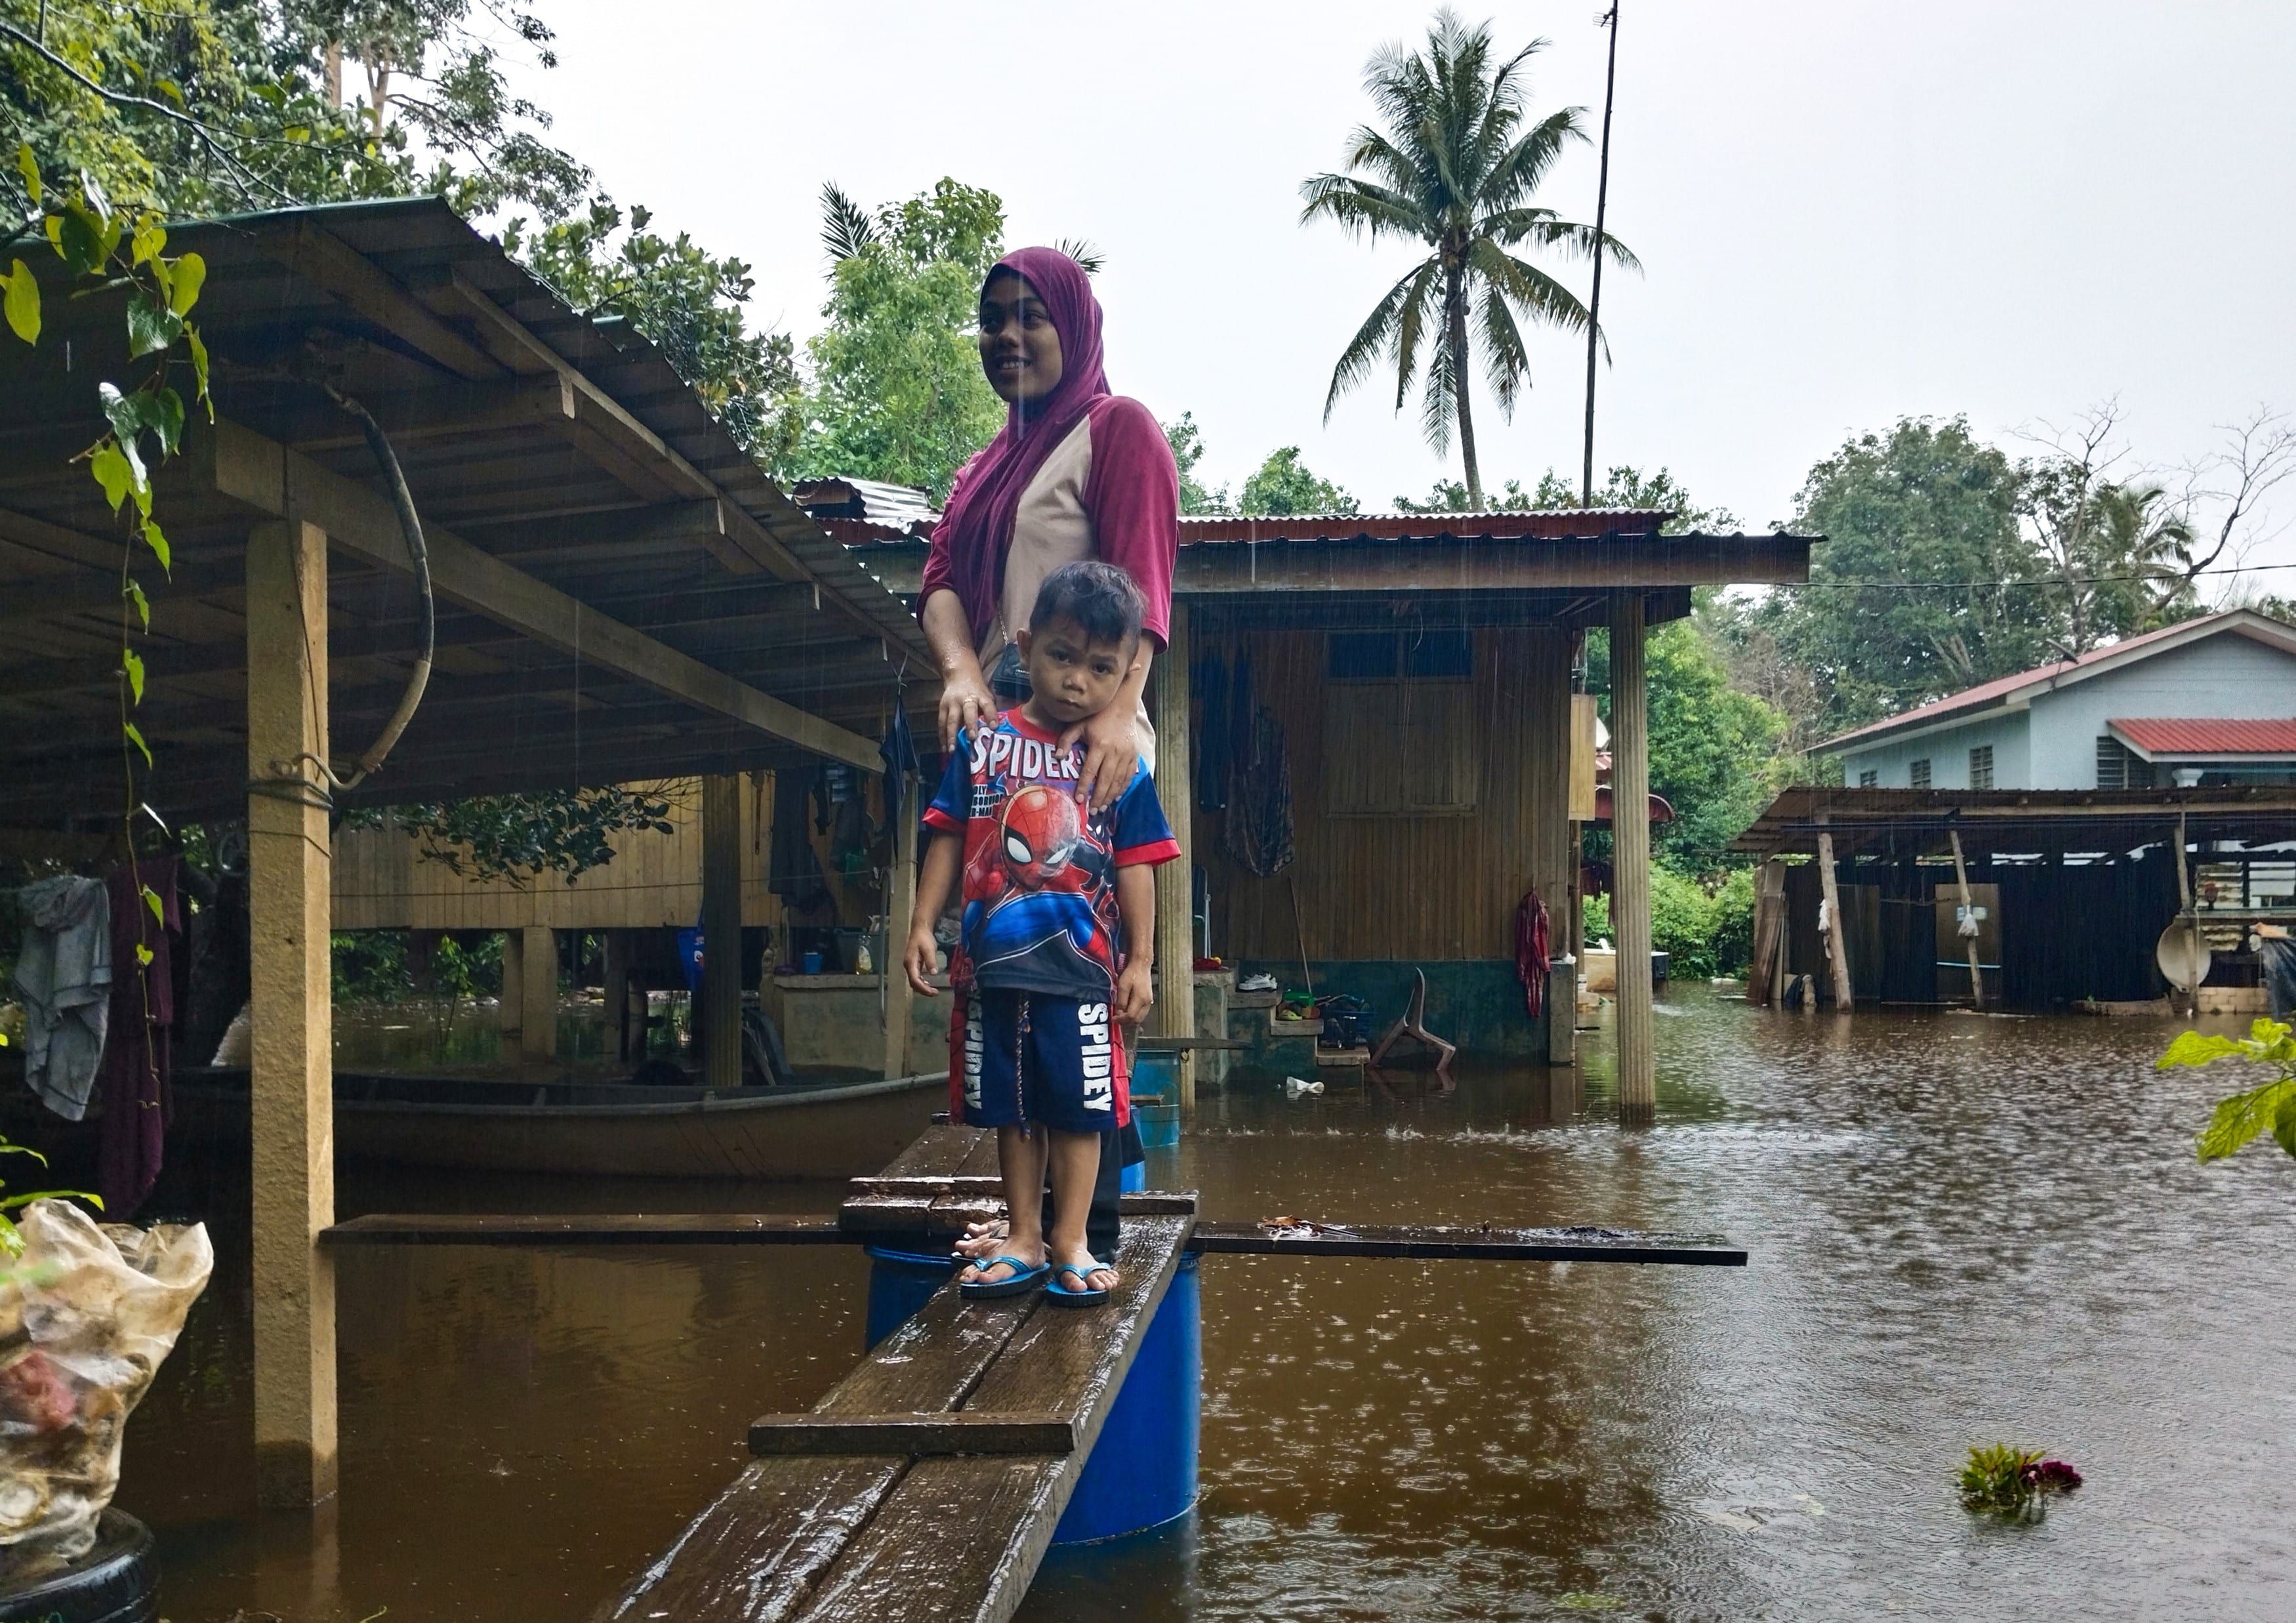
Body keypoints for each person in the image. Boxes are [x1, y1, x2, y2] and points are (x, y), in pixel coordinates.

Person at [917, 245, 1179, 1266]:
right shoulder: (987, 466)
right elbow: (942, 578)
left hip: (1091, 742)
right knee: (1011, 991)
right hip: (1001, 746)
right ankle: (1033, 1230)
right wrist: (957, 670)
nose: (1008, 337)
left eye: (1030, 316)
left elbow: (1145, 578)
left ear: (1074, 324)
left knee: (1086, 987)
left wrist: (1123, 708)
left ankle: (1087, 1233)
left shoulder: (1117, 431)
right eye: (992, 320)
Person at [903, 562, 1179, 1304]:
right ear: (1025, 646)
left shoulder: (1116, 762)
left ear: (1126, 674)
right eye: (1061, 656)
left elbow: (1137, 865)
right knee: (1013, 1110)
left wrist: (1143, 962)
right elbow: (948, 836)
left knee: (1081, 1111)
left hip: (1083, 973)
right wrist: (923, 922)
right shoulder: (983, 744)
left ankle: (1072, 1238)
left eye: (1100, 668)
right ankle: (1024, 1234)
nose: (1077, 681)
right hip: (993, 971)